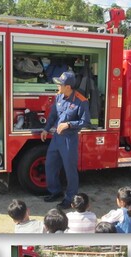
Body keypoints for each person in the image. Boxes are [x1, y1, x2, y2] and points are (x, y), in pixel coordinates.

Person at [40, 71, 91, 209]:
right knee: (50, 164)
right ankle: (55, 191)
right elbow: (53, 115)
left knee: (70, 170)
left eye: (60, 84)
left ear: (68, 87)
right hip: (56, 138)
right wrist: (46, 128)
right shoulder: (59, 97)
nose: (57, 86)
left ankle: (70, 199)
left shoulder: (81, 101)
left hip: (69, 139)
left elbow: (85, 121)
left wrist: (68, 124)